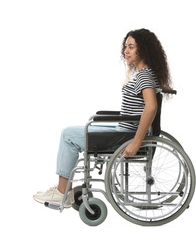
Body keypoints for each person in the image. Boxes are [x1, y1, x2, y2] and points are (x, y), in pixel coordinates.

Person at [33, 28, 172, 207]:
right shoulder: (144, 74)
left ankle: (62, 192)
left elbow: (151, 107)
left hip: (126, 135)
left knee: (68, 135)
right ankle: (64, 189)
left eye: (131, 47)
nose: (126, 51)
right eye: (125, 47)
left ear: (143, 50)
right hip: (123, 130)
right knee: (76, 130)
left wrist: (136, 142)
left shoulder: (144, 76)